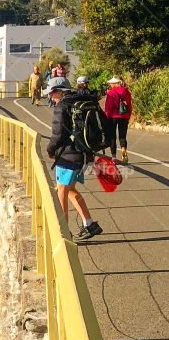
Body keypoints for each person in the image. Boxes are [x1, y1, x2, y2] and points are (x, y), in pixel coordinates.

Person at [45, 76, 103, 241]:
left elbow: (58, 134)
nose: (50, 97)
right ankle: (89, 224)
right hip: (85, 153)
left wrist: (50, 150)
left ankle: (63, 233)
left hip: (68, 156)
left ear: (59, 91)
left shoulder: (62, 106)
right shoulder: (82, 101)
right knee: (70, 189)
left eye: (51, 93)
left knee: (62, 192)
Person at [104, 76, 132, 163]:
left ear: (115, 84)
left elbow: (108, 107)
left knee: (112, 137)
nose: (110, 85)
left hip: (113, 117)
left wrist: (106, 117)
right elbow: (129, 106)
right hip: (124, 116)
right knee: (122, 136)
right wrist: (128, 116)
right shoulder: (127, 92)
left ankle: (114, 157)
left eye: (111, 84)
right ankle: (123, 149)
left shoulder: (111, 93)